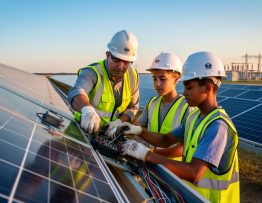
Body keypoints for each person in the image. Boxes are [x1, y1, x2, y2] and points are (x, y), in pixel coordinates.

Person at [115, 51, 240, 203]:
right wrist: (138, 130)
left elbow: (194, 172)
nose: (185, 93)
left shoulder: (217, 126)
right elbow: (166, 139)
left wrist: (147, 155)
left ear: (207, 88)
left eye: (189, 88)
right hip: (190, 194)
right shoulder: (195, 117)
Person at [68, 30, 140, 135]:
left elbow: (133, 107)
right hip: (82, 130)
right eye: (116, 60)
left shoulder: (133, 76)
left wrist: (119, 122)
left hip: (110, 135)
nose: (120, 66)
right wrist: (87, 111)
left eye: (126, 62)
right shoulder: (93, 72)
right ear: (107, 55)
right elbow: (77, 92)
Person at [134, 52, 192, 160]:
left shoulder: (187, 107)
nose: (157, 84)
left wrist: (152, 153)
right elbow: (138, 126)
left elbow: (185, 147)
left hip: (173, 171)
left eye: (162, 79)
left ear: (176, 79)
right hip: (151, 164)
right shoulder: (152, 103)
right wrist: (122, 127)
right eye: (154, 79)